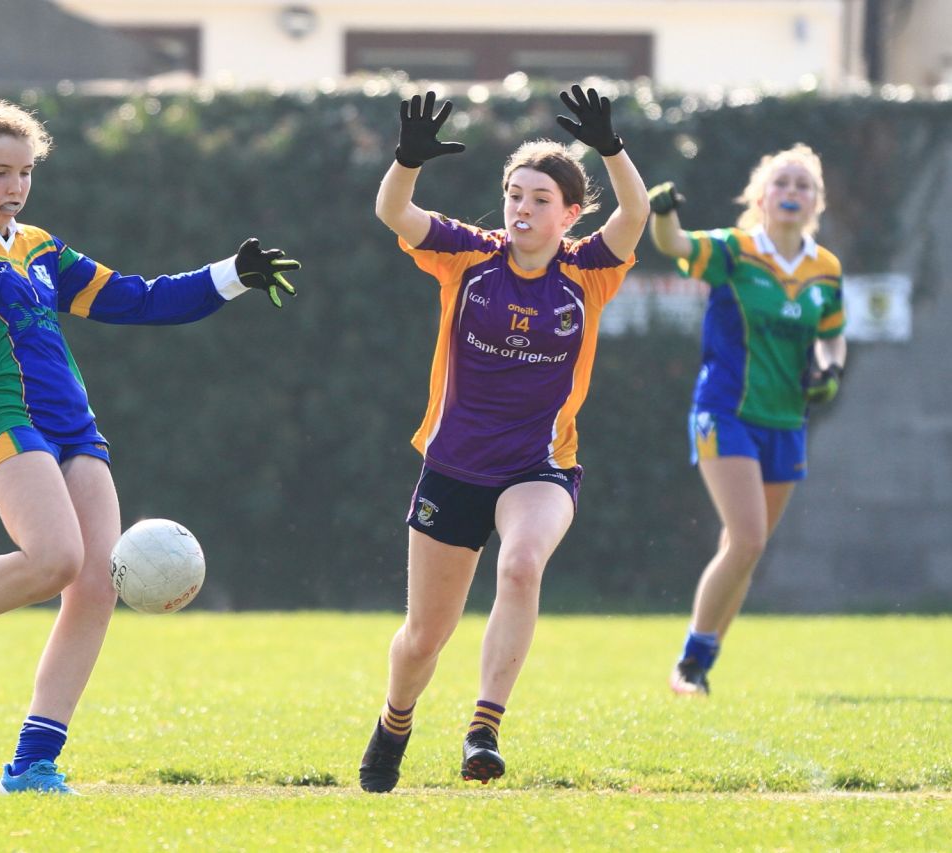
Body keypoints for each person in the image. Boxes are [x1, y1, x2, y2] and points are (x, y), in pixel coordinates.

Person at [0, 98, 301, 794]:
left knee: (92, 586)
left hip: (73, 425)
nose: (16, 186)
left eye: (25, 172)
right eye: (0, 171)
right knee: (55, 558)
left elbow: (138, 298)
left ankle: (32, 764)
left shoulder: (38, 246)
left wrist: (228, 275)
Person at [357, 85, 649, 793]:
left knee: (520, 565)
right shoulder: (468, 255)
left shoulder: (589, 272)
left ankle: (484, 727)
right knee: (424, 636)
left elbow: (635, 214)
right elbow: (393, 211)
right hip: (454, 466)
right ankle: (396, 719)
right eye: (515, 194)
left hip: (540, 468)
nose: (522, 207)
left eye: (540, 198)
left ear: (570, 214)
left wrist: (610, 148)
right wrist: (406, 161)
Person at [646, 143, 846, 697]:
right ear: (760, 197)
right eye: (781, 183)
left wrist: (830, 371)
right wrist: (664, 215)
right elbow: (676, 245)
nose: (791, 192)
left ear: (816, 203)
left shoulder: (824, 268)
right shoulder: (735, 250)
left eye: (802, 185)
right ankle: (688, 664)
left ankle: (701, 665)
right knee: (749, 540)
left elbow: (832, 338)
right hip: (725, 412)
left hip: (786, 420)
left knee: (744, 549)